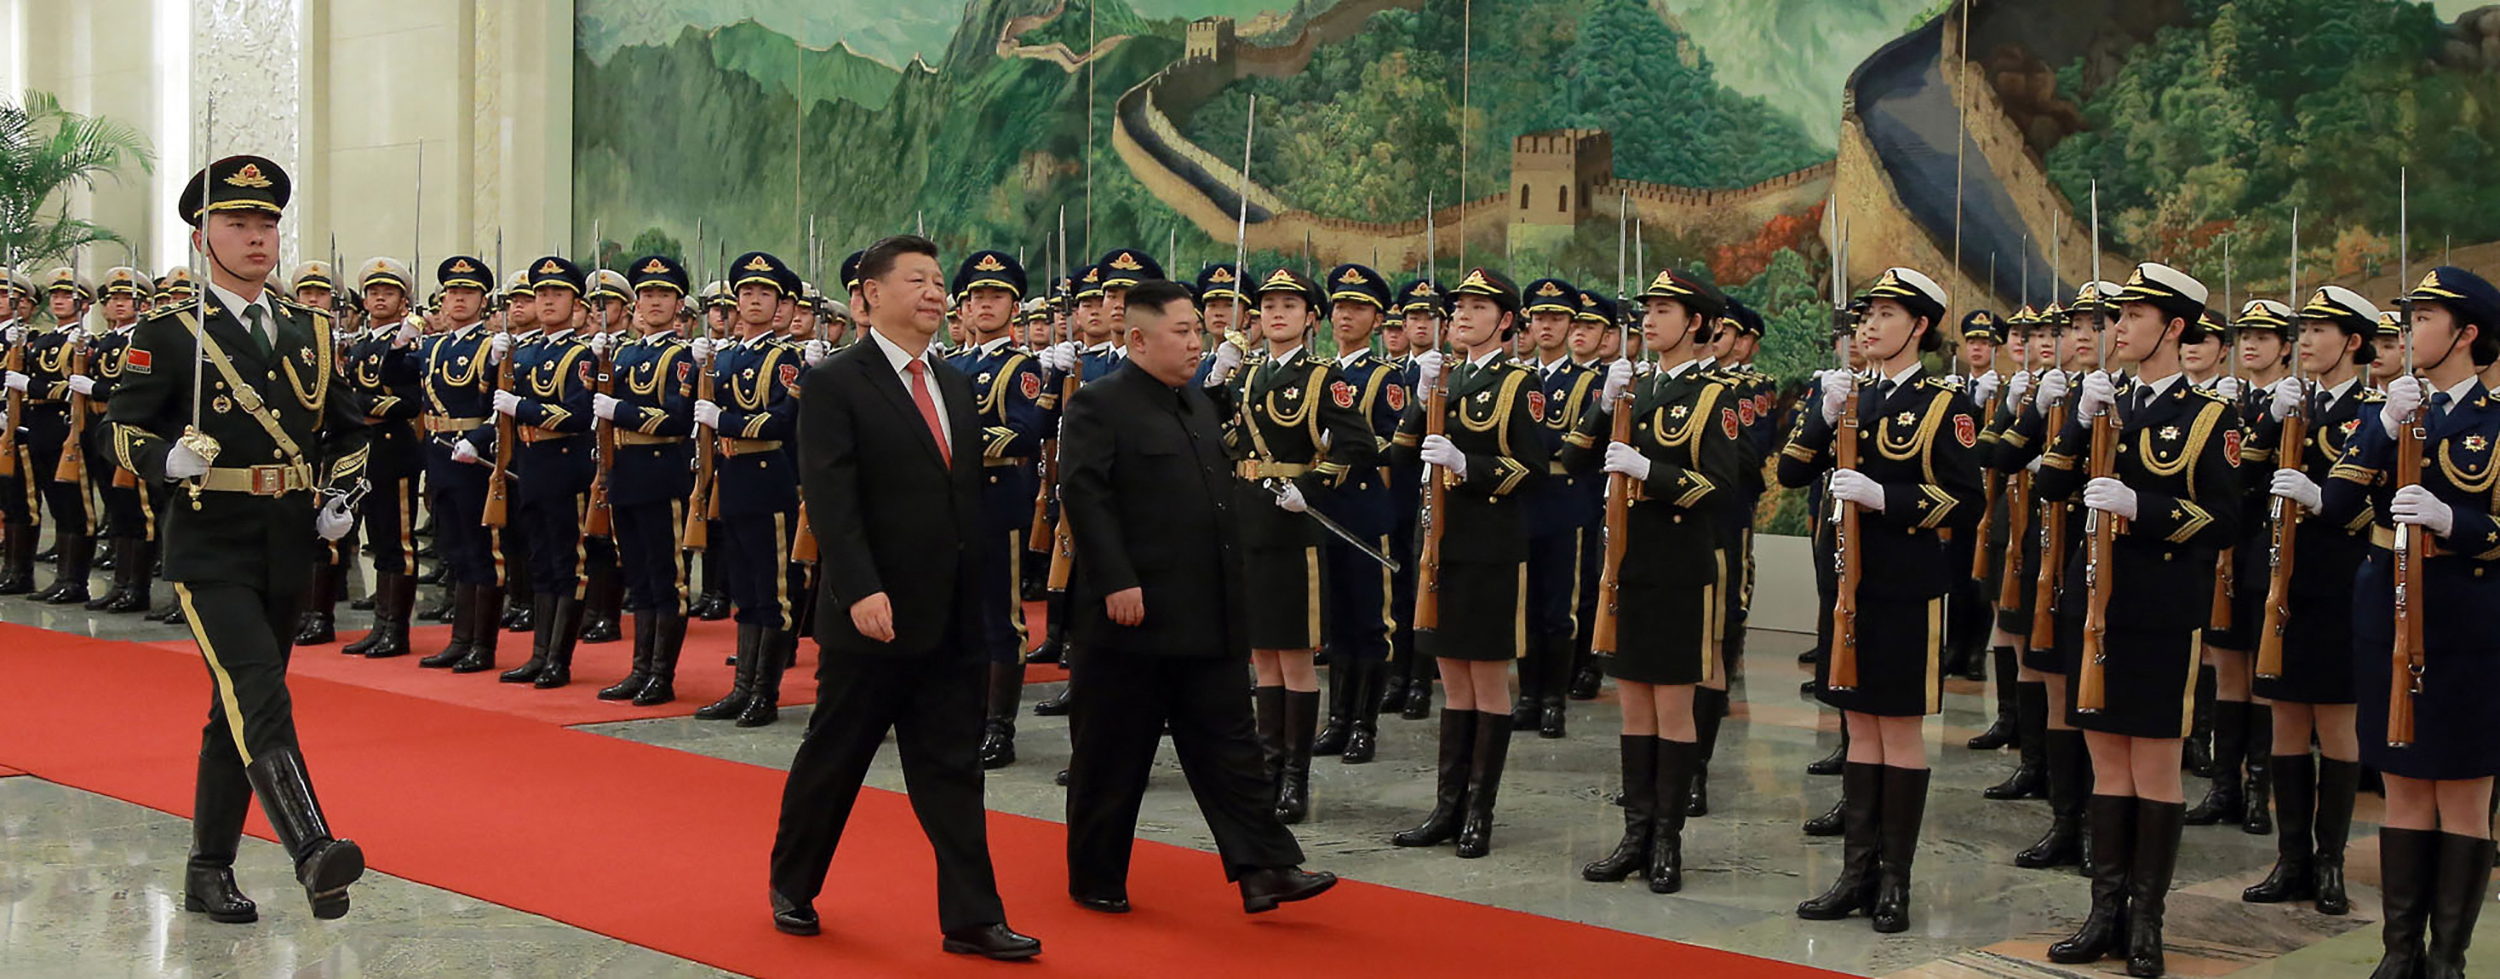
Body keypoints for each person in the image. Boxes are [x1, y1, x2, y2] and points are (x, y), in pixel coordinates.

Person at [102, 154, 373, 922]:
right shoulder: (170, 332)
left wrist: (343, 494)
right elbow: (117, 431)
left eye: (267, 224)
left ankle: (208, 867)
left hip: (288, 539)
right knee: (258, 688)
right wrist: (164, 458)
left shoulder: (311, 329)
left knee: (237, 709)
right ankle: (314, 849)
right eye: (237, 223)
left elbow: (349, 432)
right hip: (208, 541)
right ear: (201, 236)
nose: (257, 238)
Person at [767, 234, 1040, 960]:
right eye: (916, 279)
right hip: (873, 614)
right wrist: (858, 587)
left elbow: (962, 498)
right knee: (837, 753)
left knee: (953, 767)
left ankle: (973, 916)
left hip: (949, 614)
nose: (934, 292)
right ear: (870, 294)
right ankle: (792, 883)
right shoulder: (834, 381)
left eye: (938, 280)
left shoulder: (952, 381)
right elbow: (831, 494)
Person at [1059, 276, 1337, 914]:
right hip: (1131, 614)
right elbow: (1087, 496)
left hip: (1207, 611)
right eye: (1181, 332)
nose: (1197, 342)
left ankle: (1266, 869)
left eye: (1197, 330)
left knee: (1230, 747)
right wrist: (1117, 580)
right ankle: (1096, 877)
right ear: (1137, 338)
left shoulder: (1199, 405)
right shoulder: (1100, 404)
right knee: (1112, 753)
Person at [2037, 263, 2239, 978]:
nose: (2117, 328)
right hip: (2094, 606)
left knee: (2153, 764)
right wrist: (2079, 419)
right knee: (2107, 761)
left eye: (2133, 316)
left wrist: (2141, 509)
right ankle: (2105, 912)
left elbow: (2226, 517)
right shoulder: (2106, 399)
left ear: (2175, 327)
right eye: (2115, 316)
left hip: (2159, 606)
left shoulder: (2210, 416)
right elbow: (2050, 483)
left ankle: (2146, 919)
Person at [1782, 268, 1982, 933]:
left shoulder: (1942, 404)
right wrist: (1823, 413)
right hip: (1848, 588)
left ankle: (1894, 881)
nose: (1869, 325)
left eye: (1887, 314)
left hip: (1905, 586)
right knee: (1859, 725)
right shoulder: (1849, 394)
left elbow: (1967, 500)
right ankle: (1855, 873)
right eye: (1866, 314)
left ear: (1920, 327)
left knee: (1897, 727)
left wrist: (1886, 498)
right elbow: (1788, 470)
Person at [2321, 265, 2500, 979]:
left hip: (2468, 624)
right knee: (2400, 781)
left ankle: (2447, 958)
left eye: (2424, 318)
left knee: (2460, 790)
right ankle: (2400, 951)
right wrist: (2384, 426)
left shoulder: (2496, 420)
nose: (2409, 330)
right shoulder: (2391, 410)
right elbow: (2335, 507)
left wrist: (2455, 520)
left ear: (2466, 333)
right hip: (2386, 619)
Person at [1566, 268, 1743, 893]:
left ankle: (1667, 843)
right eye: (1648, 309)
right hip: (1629, 565)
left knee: (1671, 706)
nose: (1650, 318)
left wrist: (1653, 472)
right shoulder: (1634, 386)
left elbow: (1724, 490)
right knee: (1633, 706)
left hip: (1677, 566)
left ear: (1695, 323)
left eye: (1665, 310)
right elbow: (1569, 456)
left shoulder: (1714, 395)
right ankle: (1633, 836)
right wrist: (1603, 401)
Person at [1206, 265, 1374, 823]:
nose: (1276, 313)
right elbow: (1224, 440)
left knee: (1296, 657)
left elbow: (1356, 443)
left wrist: (1311, 486)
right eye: (1269, 305)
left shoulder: (1323, 376)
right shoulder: (1249, 374)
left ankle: (1294, 779)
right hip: (1250, 518)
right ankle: (1267, 767)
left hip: (1293, 522)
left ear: (1311, 319)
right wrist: (1214, 384)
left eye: (1289, 305)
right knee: (1263, 658)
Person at [1388, 267, 1546, 858]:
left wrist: (1467, 465)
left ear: (1505, 322)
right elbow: (1403, 455)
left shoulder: (1517, 385)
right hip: (1441, 546)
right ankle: (1446, 807)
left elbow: (1532, 469)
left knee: (1486, 677)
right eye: (1459, 307)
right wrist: (1421, 400)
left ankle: (1480, 812)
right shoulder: (1444, 376)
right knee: (1451, 677)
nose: (1462, 315)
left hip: (1490, 545)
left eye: (1478, 308)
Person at [2236, 285, 2379, 917]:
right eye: (2307, 329)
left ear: (2353, 342)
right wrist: (2270, 420)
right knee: (2287, 719)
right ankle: (2291, 859)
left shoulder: (2377, 412)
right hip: (2284, 582)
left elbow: (2381, 497)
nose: (2310, 340)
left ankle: (2330, 863)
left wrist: (2322, 499)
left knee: (2337, 724)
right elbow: (2241, 474)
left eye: (2322, 330)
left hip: (2342, 581)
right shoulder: (2293, 405)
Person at [2191, 300, 2296, 835]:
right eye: (2247, 334)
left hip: (2266, 549)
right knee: (2227, 670)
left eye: (2265, 336)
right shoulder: (2223, 401)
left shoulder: (2295, 403)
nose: (2252, 343)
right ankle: (2224, 785)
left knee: (2261, 673)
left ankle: (2259, 787)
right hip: (2224, 549)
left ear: (2286, 347)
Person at [940, 250, 1049, 768]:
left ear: (1014, 306)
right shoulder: (950, 365)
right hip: (953, 505)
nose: (986, 305)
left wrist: (961, 441)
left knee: (1000, 618)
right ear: (962, 306)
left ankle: (999, 726)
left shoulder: (1020, 365)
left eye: (997, 296)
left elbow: (1027, 430)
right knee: (959, 616)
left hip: (997, 501)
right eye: (977, 297)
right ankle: (965, 713)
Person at [688, 252, 805, 727]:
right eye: (748, 293)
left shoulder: (786, 357)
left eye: (765, 293)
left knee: (774, 590)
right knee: (745, 589)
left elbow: (781, 418)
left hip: (766, 475)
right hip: (732, 477)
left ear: (779, 303)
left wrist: (726, 421)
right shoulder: (727, 355)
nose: (755, 300)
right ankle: (741, 688)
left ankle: (765, 692)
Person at [1307, 263, 1405, 767]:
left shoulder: (1384, 377)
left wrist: (1340, 444)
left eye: (1358, 308)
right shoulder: (1318, 371)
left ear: (1376, 317)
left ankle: (1365, 724)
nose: (1346, 316)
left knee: (1370, 621)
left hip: (1364, 508)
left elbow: (1390, 443)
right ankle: (1337, 718)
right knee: (1337, 621)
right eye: (1340, 307)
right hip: (1322, 508)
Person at [588, 255, 698, 704]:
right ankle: (640, 669)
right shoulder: (625, 353)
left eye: (664, 295)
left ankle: (661, 674)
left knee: (666, 576)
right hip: (626, 473)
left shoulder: (682, 356)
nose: (654, 303)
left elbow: (677, 417)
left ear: (678, 304)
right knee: (638, 576)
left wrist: (622, 412)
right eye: (648, 294)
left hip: (661, 472)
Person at [487, 257, 598, 689]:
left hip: (563, 464)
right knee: (539, 562)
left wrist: (524, 409)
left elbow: (575, 413)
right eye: (542, 294)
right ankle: (539, 654)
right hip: (530, 464)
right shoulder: (527, 350)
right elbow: (492, 398)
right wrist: (491, 364)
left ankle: (559, 659)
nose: (548, 301)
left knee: (566, 562)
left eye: (558, 294)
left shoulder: (581, 354)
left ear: (576, 303)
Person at [405, 256, 504, 671]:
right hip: (439, 454)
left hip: (473, 456)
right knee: (454, 551)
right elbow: (394, 375)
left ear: (483, 301)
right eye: (451, 293)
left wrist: (478, 440)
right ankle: (459, 638)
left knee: (481, 551)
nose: (458, 299)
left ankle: (482, 644)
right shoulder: (434, 345)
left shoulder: (491, 347)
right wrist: (399, 340)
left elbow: (501, 412)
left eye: (467, 293)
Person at [1516, 277, 1601, 739]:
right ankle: (1527, 696)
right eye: (1540, 317)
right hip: (1522, 500)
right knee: (1525, 606)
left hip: (1565, 503)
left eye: (1557, 318)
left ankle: (1554, 699)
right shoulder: (1516, 377)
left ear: (1571, 325)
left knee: (1558, 608)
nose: (1546, 325)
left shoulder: (1587, 381)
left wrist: (1534, 442)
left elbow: (1579, 445)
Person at [335, 258, 424, 657]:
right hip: (365, 449)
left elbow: (408, 403)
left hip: (394, 446)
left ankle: (397, 629)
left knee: (398, 541)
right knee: (378, 537)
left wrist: (355, 403)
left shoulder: (403, 344)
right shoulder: (361, 344)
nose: (379, 298)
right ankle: (381, 623)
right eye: (373, 293)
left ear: (403, 301)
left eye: (388, 293)